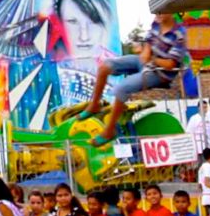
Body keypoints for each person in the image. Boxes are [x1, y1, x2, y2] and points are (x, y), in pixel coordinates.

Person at [82, 12, 191, 145]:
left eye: (162, 11)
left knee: (122, 88)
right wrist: (144, 52)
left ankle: (110, 130)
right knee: (105, 67)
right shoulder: (157, 23)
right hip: (146, 62)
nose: (159, 14)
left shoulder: (179, 34)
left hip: (159, 73)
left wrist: (150, 59)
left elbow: (170, 64)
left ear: (171, 11)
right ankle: (94, 104)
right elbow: (149, 43)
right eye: (157, 11)